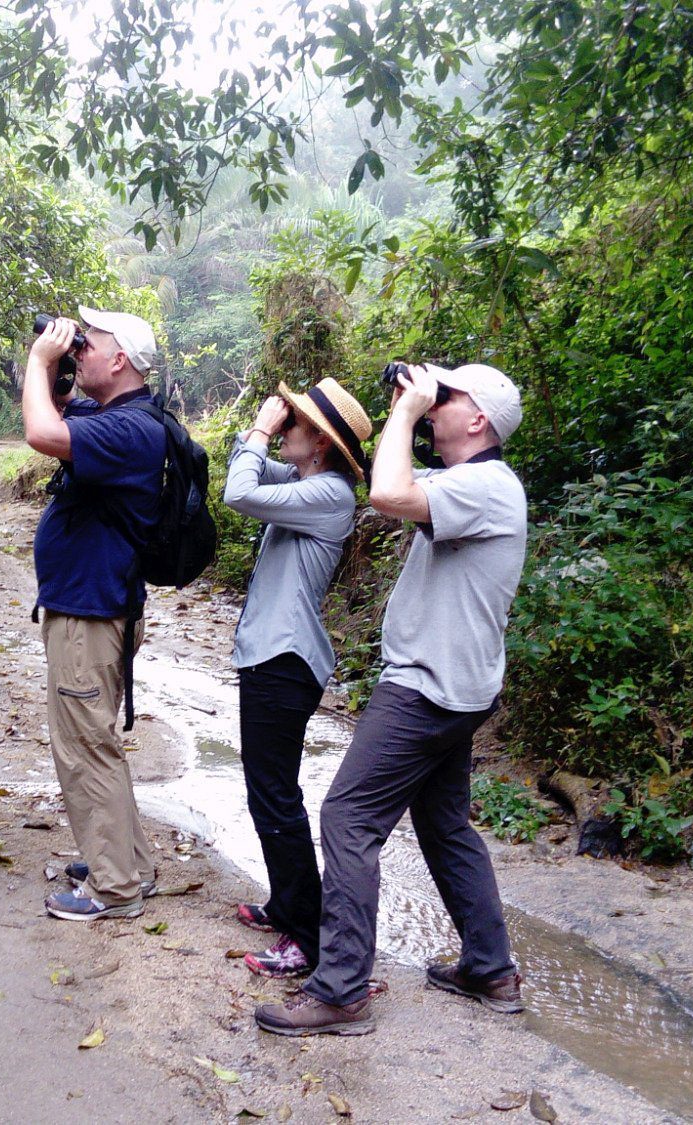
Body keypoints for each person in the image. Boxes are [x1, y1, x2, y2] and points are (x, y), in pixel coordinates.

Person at [255, 362, 529, 1036]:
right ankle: (490, 968)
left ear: (480, 420)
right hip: (457, 686)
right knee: (444, 824)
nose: (438, 405)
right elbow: (401, 481)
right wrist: (413, 406)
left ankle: (342, 987)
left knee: (348, 818)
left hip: (426, 689)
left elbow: (385, 493)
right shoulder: (467, 483)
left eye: (450, 397)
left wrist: (407, 408)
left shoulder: (488, 485)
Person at [221, 379, 370, 979]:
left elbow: (237, 493)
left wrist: (260, 428)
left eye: (295, 425)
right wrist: (260, 431)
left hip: (284, 661)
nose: (284, 430)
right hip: (271, 657)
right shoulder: (307, 483)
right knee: (268, 794)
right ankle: (288, 904)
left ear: (322, 444)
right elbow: (244, 470)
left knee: (276, 798)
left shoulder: (330, 493)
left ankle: (307, 936)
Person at [23, 307, 166, 921]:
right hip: (90, 604)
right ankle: (130, 864)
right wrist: (53, 368)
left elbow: (41, 435)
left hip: (91, 612)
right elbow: (50, 412)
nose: (79, 349)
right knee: (96, 740)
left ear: (121, 361)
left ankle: (114, 890)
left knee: (85, 747)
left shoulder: (133, 430)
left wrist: (38, 360)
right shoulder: (112, 416)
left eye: (90, 343)